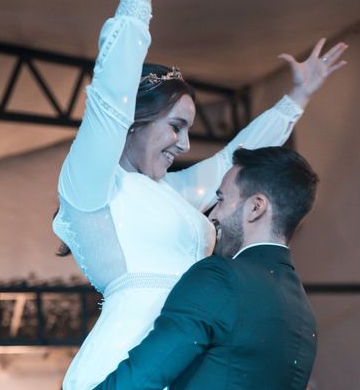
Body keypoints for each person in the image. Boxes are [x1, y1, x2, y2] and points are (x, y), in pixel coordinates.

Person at [53, 0, 347, 389]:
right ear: (133, 120)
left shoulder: (175, 190)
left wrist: (296, 100)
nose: (185, 144)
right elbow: (108, 99)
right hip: (127, 362)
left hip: (190, 357)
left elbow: (238, 159)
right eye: (176, 126)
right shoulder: (93, 185)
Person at [95, 146, 319, 390]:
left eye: (221, 200)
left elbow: (143, 376)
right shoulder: (305, 315)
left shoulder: (220, 277)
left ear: (256, 207)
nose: (212, 215)